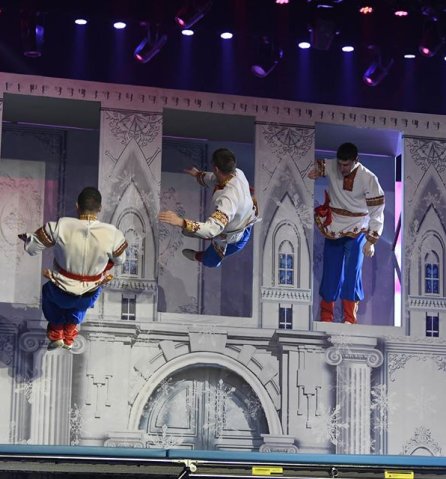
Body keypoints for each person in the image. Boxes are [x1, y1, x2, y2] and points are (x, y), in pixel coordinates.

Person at [18, 187, 128, 350]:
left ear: (77, 206)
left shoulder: (60, 226)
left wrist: (29, 239)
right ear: (100, 208)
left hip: (60, 291)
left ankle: (57, 333)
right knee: (80, 303)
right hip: (89, 294)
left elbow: (32, 249)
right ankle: (69, 335)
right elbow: (120, 260)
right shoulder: (113, 234)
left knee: (49, 292)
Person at [308, 142, 385, 324]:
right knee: (331, 271)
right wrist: (315, 171)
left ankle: (349, 319)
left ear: (355, 160)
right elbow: (319, 166)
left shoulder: (368, 178)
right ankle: (326, 316)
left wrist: (371, 240)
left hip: (357, 228)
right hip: (335, 226)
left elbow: (377, 211)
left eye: (346, 165)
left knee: (352, 272)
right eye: (340, 164)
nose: (342, 168)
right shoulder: (332, 165)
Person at [159, 148, 258, 268]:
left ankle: (198, 256)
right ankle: (197, 233)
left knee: (211, 260)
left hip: (234, 238)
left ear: (216, 168)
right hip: (242, 217)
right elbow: (215, 179)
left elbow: (212, 229)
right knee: (200, 231)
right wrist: (199, 175)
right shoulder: (237, 173)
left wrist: (180, 221)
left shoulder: (228, 200)